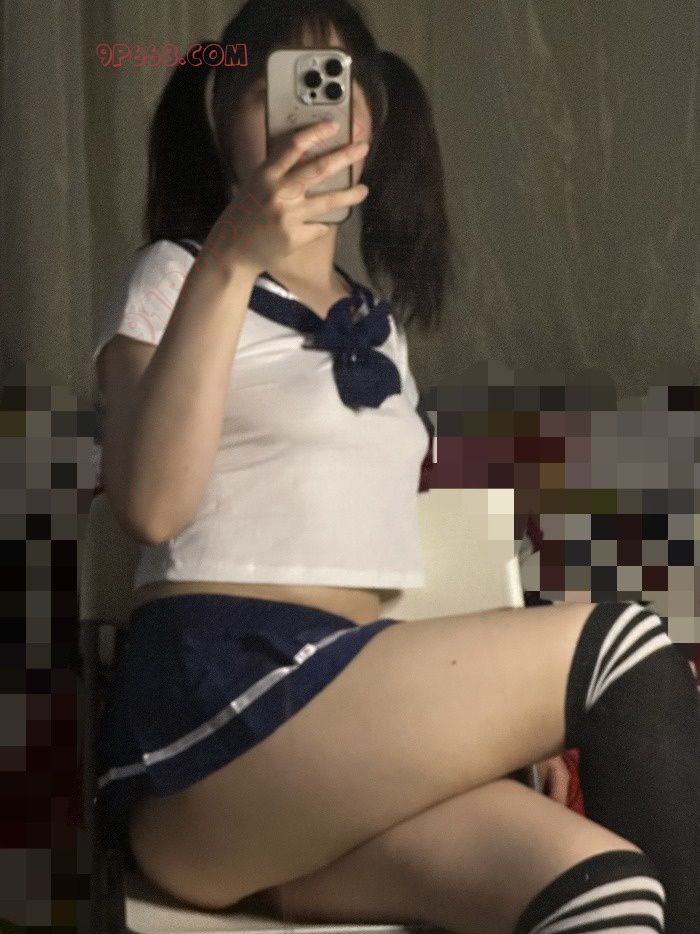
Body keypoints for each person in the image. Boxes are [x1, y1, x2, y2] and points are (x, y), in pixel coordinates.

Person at [91, 1, 699, 931]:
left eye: (329, 88)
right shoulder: (175, 275)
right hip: (213, 726)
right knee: (626, 647)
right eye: (270, 89)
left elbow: (363, 571)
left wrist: (479, 722)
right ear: (223, 125)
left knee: (607, 892)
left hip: (330, 751)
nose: (302, 116)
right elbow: (149, 508)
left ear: (370, 124)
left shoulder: (380, 331)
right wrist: (231, 258)